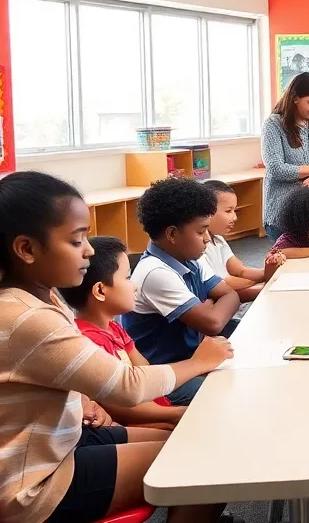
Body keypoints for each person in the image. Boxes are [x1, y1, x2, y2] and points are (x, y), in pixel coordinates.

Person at [0, 170, 232, 523]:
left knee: (184, 431)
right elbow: (127, 387)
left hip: (54, 447)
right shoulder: (27, 317)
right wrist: (198, 363)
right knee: (206, 458)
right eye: (76, 241)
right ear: (26, 249)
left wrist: (84, 399)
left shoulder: (20, 296)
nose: (89, 250)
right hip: (37, 485)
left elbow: (53, 368)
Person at [123, 177, 242, 406]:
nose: (208, 239)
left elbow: (231, 294)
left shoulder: (190, 258)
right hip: (167, 375)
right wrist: (211, 310)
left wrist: (213, 309)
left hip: (192, 358)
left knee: (244, 340)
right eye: (201, 232)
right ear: (172, 235)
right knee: (224, 393)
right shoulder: (155, 272)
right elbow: (213, 323)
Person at [59, 236, 189, 431]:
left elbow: (144, 370)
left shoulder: (113, 327)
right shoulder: (89, 342)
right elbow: (121, 408)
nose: (134, 286)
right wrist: (177, 414)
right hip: (140, 425)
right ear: (100, 291)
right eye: (127, 278)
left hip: (157, 409)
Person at [262, 72, 309, 238]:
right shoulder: (273, 124)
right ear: (295, 98)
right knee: (290, 260)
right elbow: (276, 168)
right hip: (283, 213)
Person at [201, 179, 282, 308]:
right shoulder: (199, 247)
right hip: (218, 303)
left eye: (234, 211)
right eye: (228, 211)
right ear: (206, 212)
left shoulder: (218, 239)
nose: (235, 218)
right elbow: (225, 285)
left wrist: (272, 270)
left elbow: (240, 271)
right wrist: (267, 281)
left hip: (228, 297)